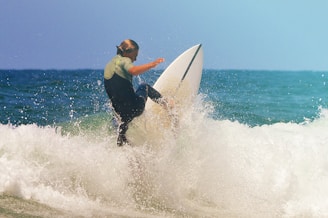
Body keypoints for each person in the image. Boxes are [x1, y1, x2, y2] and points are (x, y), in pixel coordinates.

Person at [104, 39, 166, 146]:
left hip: (121, 114)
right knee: (144, 86)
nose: (135, 59)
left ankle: (133, 158)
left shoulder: (109, 65)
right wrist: (152, 64)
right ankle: (168, 105)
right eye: (134, 55)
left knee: (120, 133)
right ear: (126, 53)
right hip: (135, 108)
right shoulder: (124, 60)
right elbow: (134, 70)